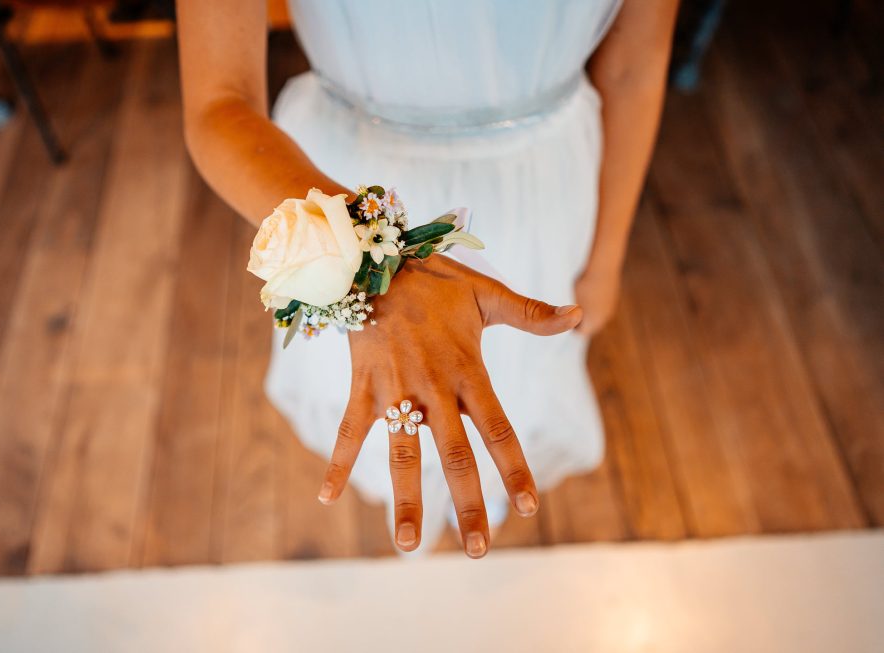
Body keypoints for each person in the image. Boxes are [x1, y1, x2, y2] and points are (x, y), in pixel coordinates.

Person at [178, 0, 679, 558]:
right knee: (375, 405)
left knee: (515, 382)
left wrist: (606, 256)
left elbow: (636, 62)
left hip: (541, 183)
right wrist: (377, 270)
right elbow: (217, 100)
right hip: (341, 178)